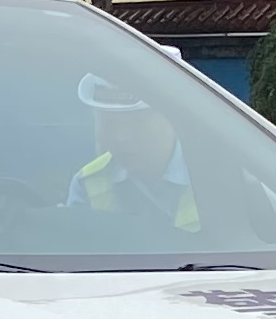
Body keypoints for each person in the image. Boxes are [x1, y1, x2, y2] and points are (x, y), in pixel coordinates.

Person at [70, 72, 199, 234]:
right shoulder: (87, 183)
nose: (121, 136)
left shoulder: (219, 178)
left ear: (174, 118)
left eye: (137, 121)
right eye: (109, 122)